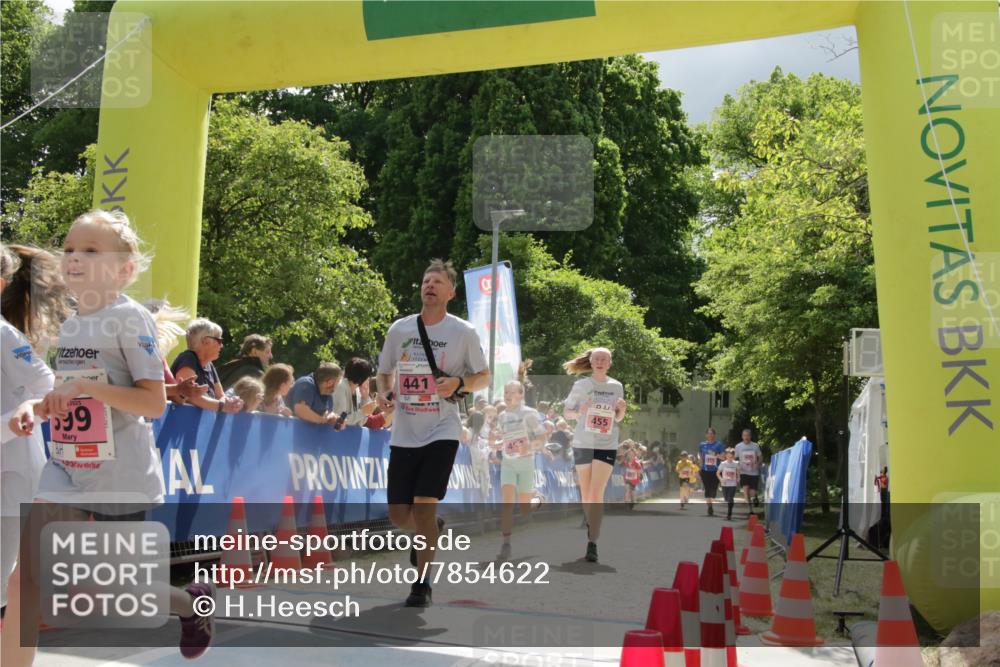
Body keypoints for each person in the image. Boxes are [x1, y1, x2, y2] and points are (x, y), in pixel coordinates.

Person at [1, 210, 214, 667]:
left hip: (121, 472)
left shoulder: (128, 318)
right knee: (25, 579)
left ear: (125, 270)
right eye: (71, 249)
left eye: (91, 250)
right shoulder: (73, 322)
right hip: (66, 468)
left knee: (120, 588)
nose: (75, 258)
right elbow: (70, 396)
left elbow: (153, 404)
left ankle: (193, 604)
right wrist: (38, 407)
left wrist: (87, 389)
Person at [375, 259, 490, 607]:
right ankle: (431, 529)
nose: (429, 285)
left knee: (423, 509)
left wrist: (458, 382)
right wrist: (384, 392)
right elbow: (384, 373)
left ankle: (421, 583)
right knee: (399, 515)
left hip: (443, 428)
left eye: (437, 282)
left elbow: (483, 377)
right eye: (426, 280)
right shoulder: (400, 329)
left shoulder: (463, 332)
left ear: (450, 292)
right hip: (405, 429)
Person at [1, 245, 61, 615]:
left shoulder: (4, 335)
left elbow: (46, 384)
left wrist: (18, 418)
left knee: (6, 575)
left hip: (12, 469)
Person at [562, 347, 627, 563]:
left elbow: (617, 419)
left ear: (610, 363)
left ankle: (593, 542)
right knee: (587, 494)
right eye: (596, 359)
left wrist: (622, 410)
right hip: (583, 442)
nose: (599, 362)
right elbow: (567, 413)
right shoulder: (581, 385)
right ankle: (591, 523)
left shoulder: (616, 386)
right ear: (590, 362)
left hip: (606, 443)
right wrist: (580, 411)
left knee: (596, 493)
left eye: (604, 359)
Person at [494, 380, 547, 561]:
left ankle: (538, 498)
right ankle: (506, 544)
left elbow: (542, 437)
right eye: (505, 392)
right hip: (508, 463)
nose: (507, 396)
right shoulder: (502, 416)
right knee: (507, 504)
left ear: (521, 395)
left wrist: (529, 447)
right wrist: (495, 441)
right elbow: (499, 440)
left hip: (525, 463)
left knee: (525, 509)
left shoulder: (529, 413)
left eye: (511, 392)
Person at [170, 318, 243, 413]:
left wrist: (232, 403)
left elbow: (220, 396)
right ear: (206, 341)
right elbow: (190, 396)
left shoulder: (209, 365)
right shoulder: (188, 358)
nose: (221, 346)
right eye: (219, 340)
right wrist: (222, 406)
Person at [143, 300, 207, 406]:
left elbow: (178, 398)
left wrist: (184, 391)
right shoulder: (131, 352)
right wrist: (178, 389)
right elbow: (143, 389)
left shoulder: (158, 357)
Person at [333, 357, 377, 426]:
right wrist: (363, 412)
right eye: (368, 376)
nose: (369, 379)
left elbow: (361, 423)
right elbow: (340, 420)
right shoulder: (341, 387)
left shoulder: (358, 391)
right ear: (361, 377)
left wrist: (364, 398)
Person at [734, 428, 763, 515]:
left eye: (748, 435)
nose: (746, 437)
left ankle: (755, 497)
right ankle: (750, 510)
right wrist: (736, 466)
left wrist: (757, 464)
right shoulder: (738, 446)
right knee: (745, 490)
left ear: (750, 436)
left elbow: (761, 457)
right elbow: (734, 458)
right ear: (742, 436)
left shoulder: (755, 446)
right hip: (743, 472)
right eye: (744, 435)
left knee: (752, 492)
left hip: (754, 472)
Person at [698, 427, 725, 516]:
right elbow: (700, 455)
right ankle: (710, 506)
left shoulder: (719, 445)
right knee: (707, 489)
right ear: (706, 435)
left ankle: (711, 501)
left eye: (711, 434)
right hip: (705, 470)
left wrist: (715, 455)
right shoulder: (702, 445)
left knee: (713, 490)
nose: (710, 435)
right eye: (708, 434)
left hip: (716, 470)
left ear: (714, 435)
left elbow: (723, 457)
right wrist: (700, 464)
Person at [716, 448, 741, 521]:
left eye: (731, 457)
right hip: (725, 484)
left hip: (733, 484)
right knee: (726, 498)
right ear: (726, 456)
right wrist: (721, 479)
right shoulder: (723, 464)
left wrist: (738, 478)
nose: (730, 458)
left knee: (730, 498)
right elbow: (717, 473)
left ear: (733, 457)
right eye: (728, 457)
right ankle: (729, 512)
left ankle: (729, 514)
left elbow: (738, 471)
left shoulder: (736, 463)